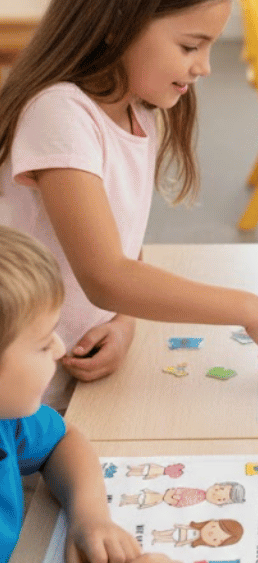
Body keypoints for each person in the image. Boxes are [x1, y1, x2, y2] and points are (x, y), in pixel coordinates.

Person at [0, 0, 258, 410]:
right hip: (21, 392)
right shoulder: (60, 115)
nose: (205, 67)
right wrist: (248, 308)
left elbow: (121, 247)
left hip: (70, 374)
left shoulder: (140, 109)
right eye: (190, 46)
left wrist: (123, 322)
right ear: (118, 23)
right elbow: (106, 274)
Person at [0, 223, 177, 563]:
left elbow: (61, 442)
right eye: (43, 344)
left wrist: (90, 516)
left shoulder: (8, 418)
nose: (59, 348)